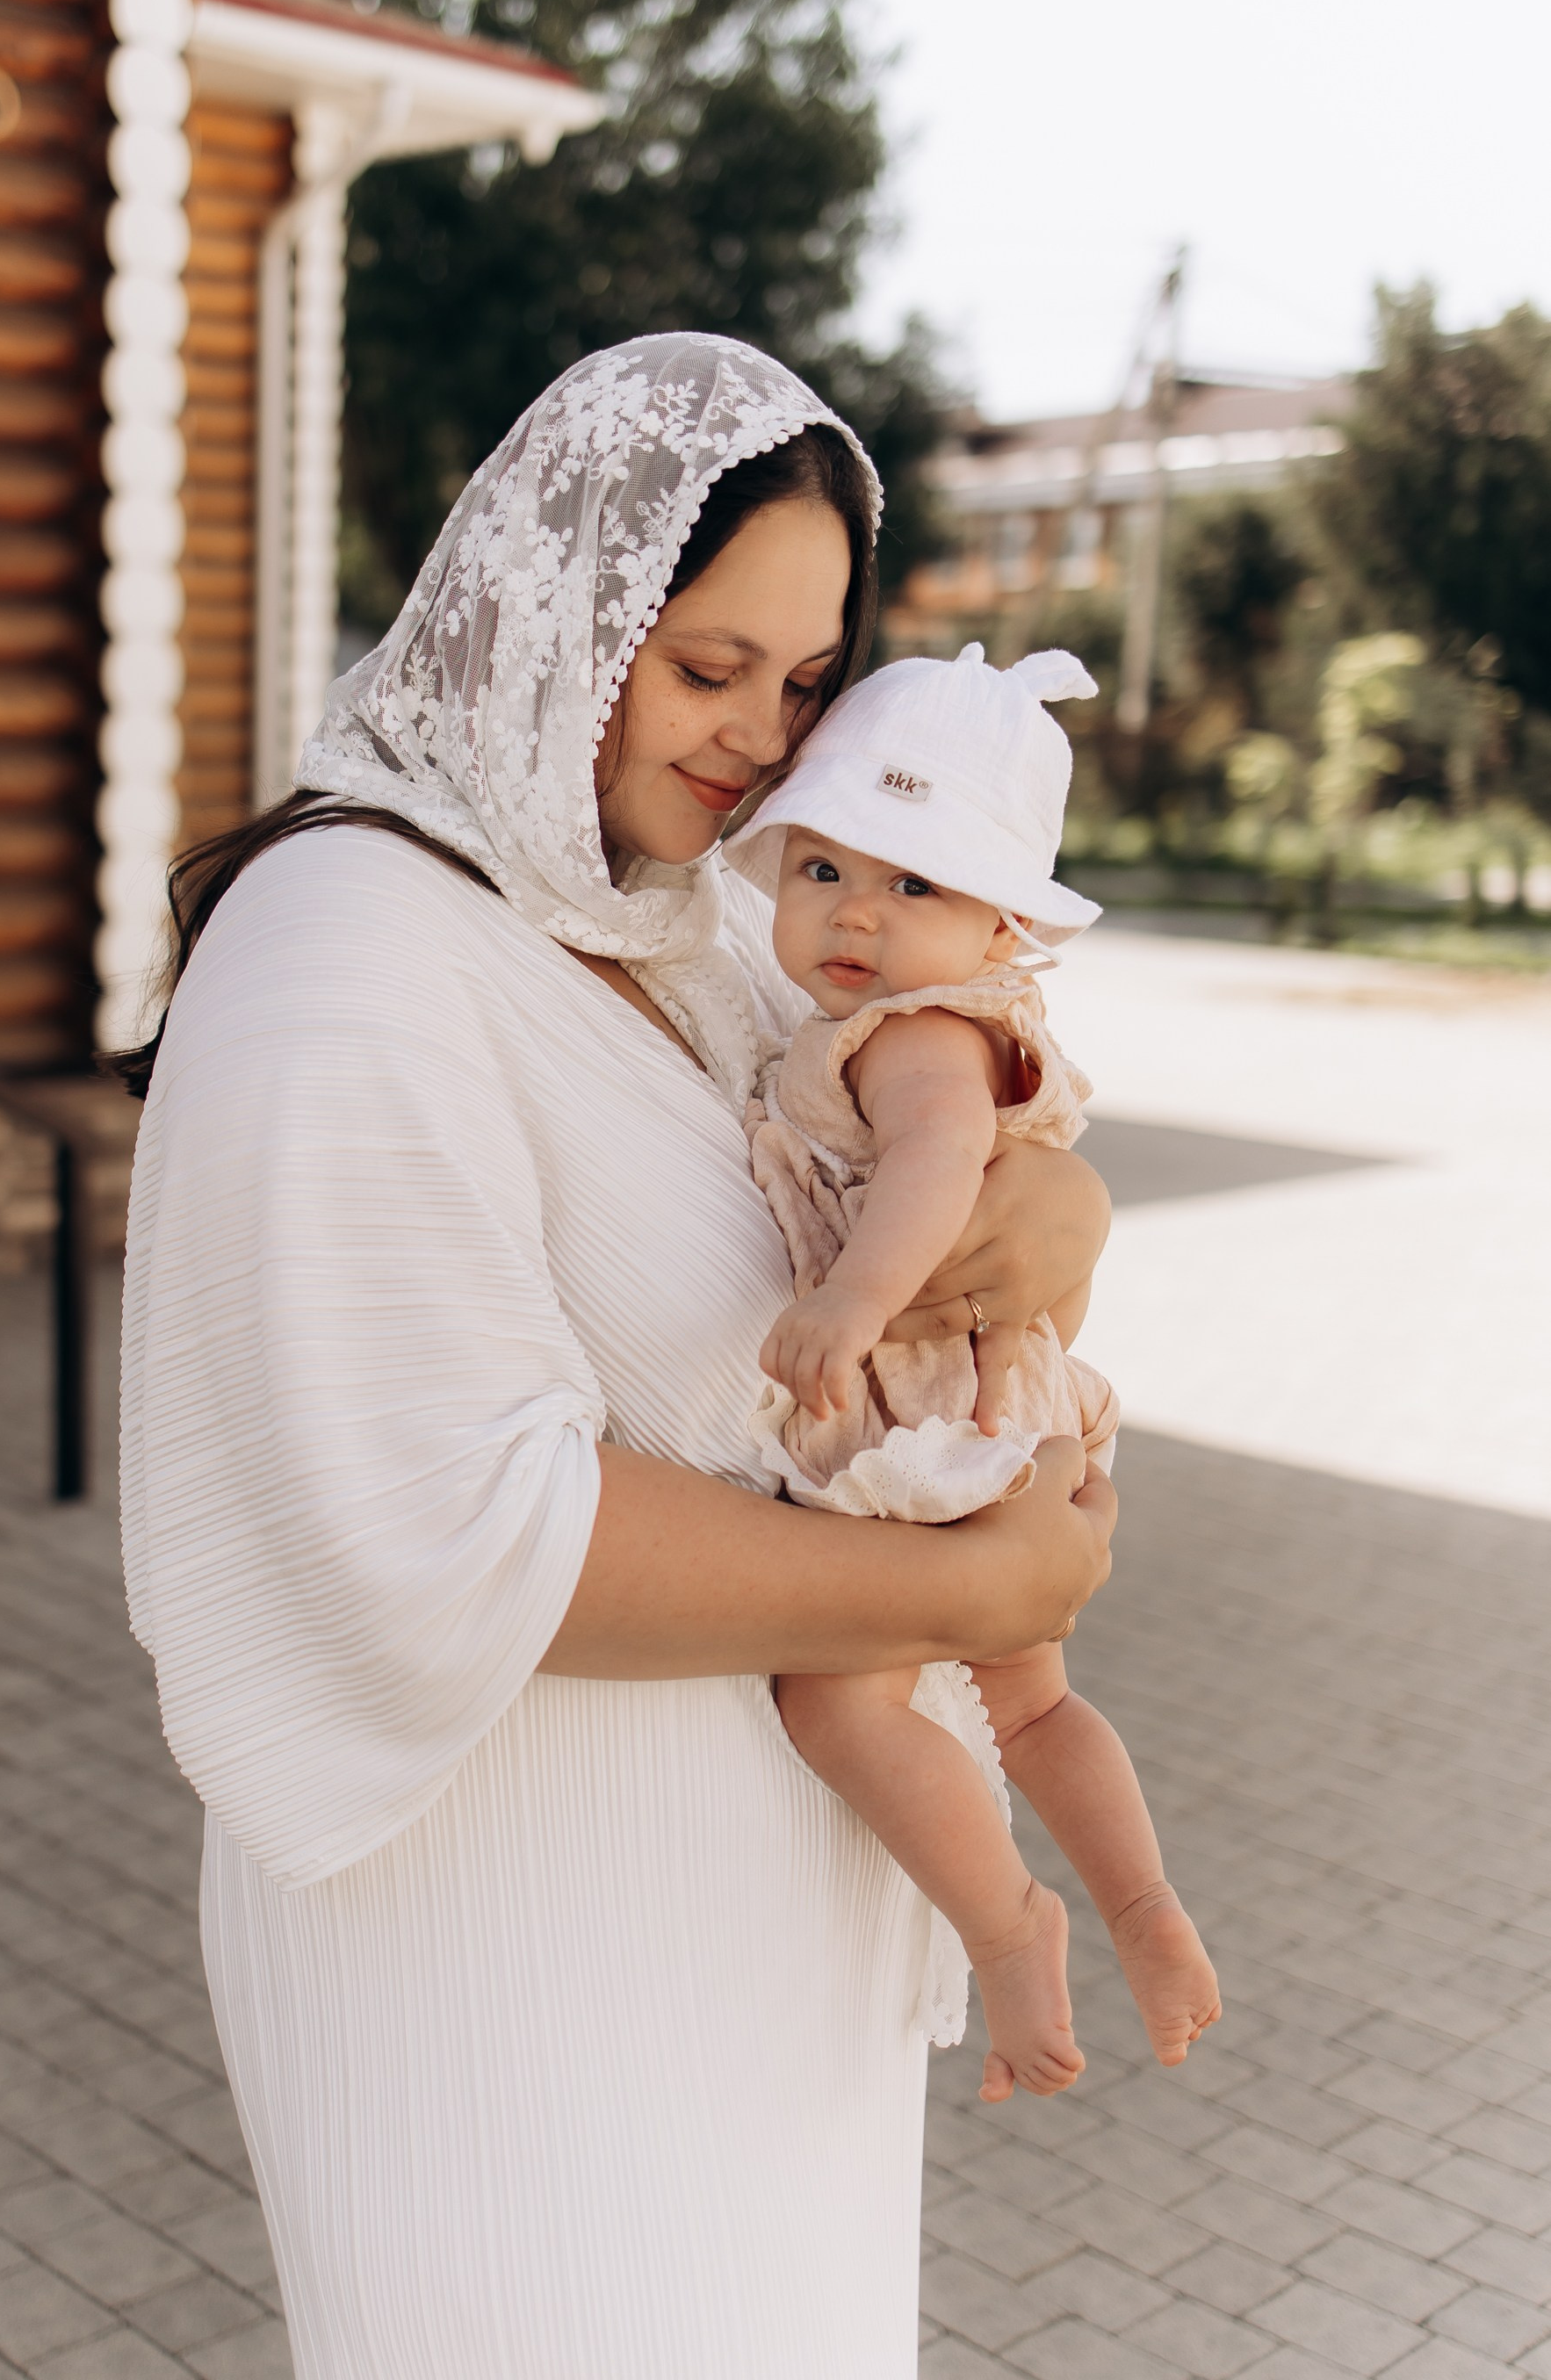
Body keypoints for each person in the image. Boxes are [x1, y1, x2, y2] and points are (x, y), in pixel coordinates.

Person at [117, 335, 1116, 2380]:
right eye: (706, 664)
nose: (765, 739)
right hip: (515, 1978)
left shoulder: (696, 933)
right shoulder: (347, 950)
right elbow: (438, 1519)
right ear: (554, 607)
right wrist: (969, 1590)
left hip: (756, 1972)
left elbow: (956, 1190)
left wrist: (1058, 1224)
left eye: (808, 678)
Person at [728, 643, 1222, 2105]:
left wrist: (855, 1297)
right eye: (820, 870)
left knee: (840, 1707)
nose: (856, 918)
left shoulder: (907, 1038)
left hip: (929, 1405)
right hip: (1007, 1407)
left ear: (1004, 922)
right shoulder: (957, 1018)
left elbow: (942, 1161)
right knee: (1033, 1704)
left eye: (913, 885)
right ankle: (1146, 1908)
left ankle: (1009, 1927)